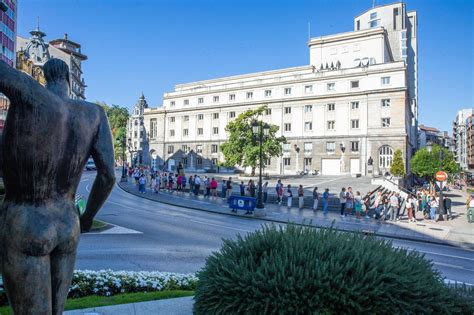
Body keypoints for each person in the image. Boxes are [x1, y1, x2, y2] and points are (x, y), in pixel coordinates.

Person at [0, 58, 116, 314]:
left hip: (27, 220)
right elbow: (108, 176)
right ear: (68, 79)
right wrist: (86, 218)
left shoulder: (29, 93)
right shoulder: (93, 114)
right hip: (67, 224)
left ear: (44, 77)